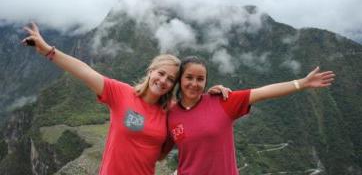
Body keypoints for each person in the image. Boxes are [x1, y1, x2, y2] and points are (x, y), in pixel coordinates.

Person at [22, 22, 181, 175]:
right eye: (161, 73)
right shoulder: (122, 93)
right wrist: (49, 51)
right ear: (151, 71)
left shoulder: (172, 112)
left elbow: (164, 153)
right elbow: (85, 71)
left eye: (170, 79)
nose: (163, 81)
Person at [165, 56, 335, 175]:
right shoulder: (171, 114)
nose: (194, 84)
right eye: (189, 77)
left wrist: (302, 83)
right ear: (180, 79)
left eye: (200, 79)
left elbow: (262, 93)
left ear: (206, 81)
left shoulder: (222, 101)